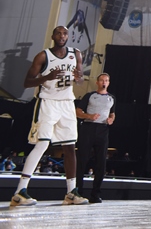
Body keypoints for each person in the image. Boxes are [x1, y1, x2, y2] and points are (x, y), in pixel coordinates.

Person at [10, 26, 89, 207]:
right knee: (43, 144)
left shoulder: (76, 54)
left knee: (70, 147)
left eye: (65, 34)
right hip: (48, 103)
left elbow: (81, 79)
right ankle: (20, 191)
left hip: (67, 103)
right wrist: (46, 77)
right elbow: (27, 82)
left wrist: (79, 79)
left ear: (68, 36)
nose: (62, 36)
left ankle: (71, 192)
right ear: (53, 36)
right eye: (59, 33)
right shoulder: (43, 56)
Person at [75, 72, 115, 202]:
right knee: (82, 160)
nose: (104, 82)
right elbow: (78, 111)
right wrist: (89, 116)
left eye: (107, 80)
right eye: (102, 80)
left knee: (101, 162)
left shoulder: (112, 98)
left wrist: (111, 119)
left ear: (108, 83)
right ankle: (77, 192)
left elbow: (113, 113)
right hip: (88, 128)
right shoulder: (90, 96)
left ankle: (95, 194)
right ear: (97, 82)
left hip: (103, 130)